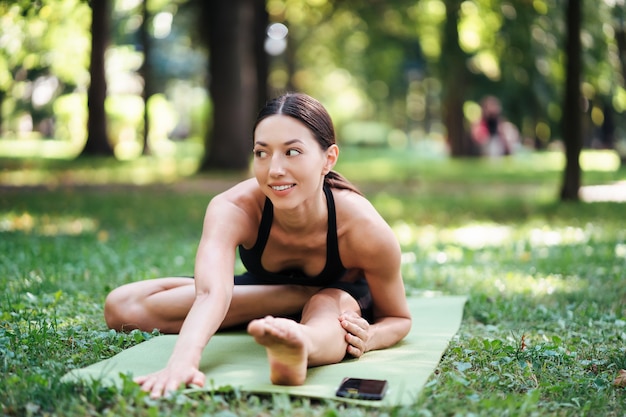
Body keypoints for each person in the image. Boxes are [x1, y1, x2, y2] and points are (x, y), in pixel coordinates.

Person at [104, 92, 412, 398]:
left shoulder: (363, 228)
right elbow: (212, 293)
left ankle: (298, 344)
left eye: (292, 152)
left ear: (328, 159)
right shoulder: (233, 207)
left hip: (338, 299)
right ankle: (295, 301)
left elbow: (398, 319)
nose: (274, 169)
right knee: (123, 306)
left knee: (326, 305)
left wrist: (369, 336)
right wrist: (182, 362)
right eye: (262, 153)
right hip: (265, 293)